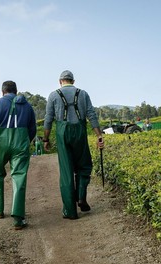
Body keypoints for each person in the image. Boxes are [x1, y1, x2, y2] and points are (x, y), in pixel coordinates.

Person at [43, 70, 104, 220]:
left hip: (62, 132)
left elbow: (48, 119)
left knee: (66, 172)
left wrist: (46, 139)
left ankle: (70, 211)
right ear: (73, 81)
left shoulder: (53, 95)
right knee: (84, 165)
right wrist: (99, 135)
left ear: (60, 81)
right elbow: (91, 114)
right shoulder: (83, 94)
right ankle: (81, 196)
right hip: (80, 131)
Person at [0, 80, 36, 230]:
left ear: (3, 91)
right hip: (21, 143)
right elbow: (33, 129)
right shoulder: (27, 106)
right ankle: (17, 219)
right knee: (19, 177)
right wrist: (24, 141)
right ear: (16, 91)